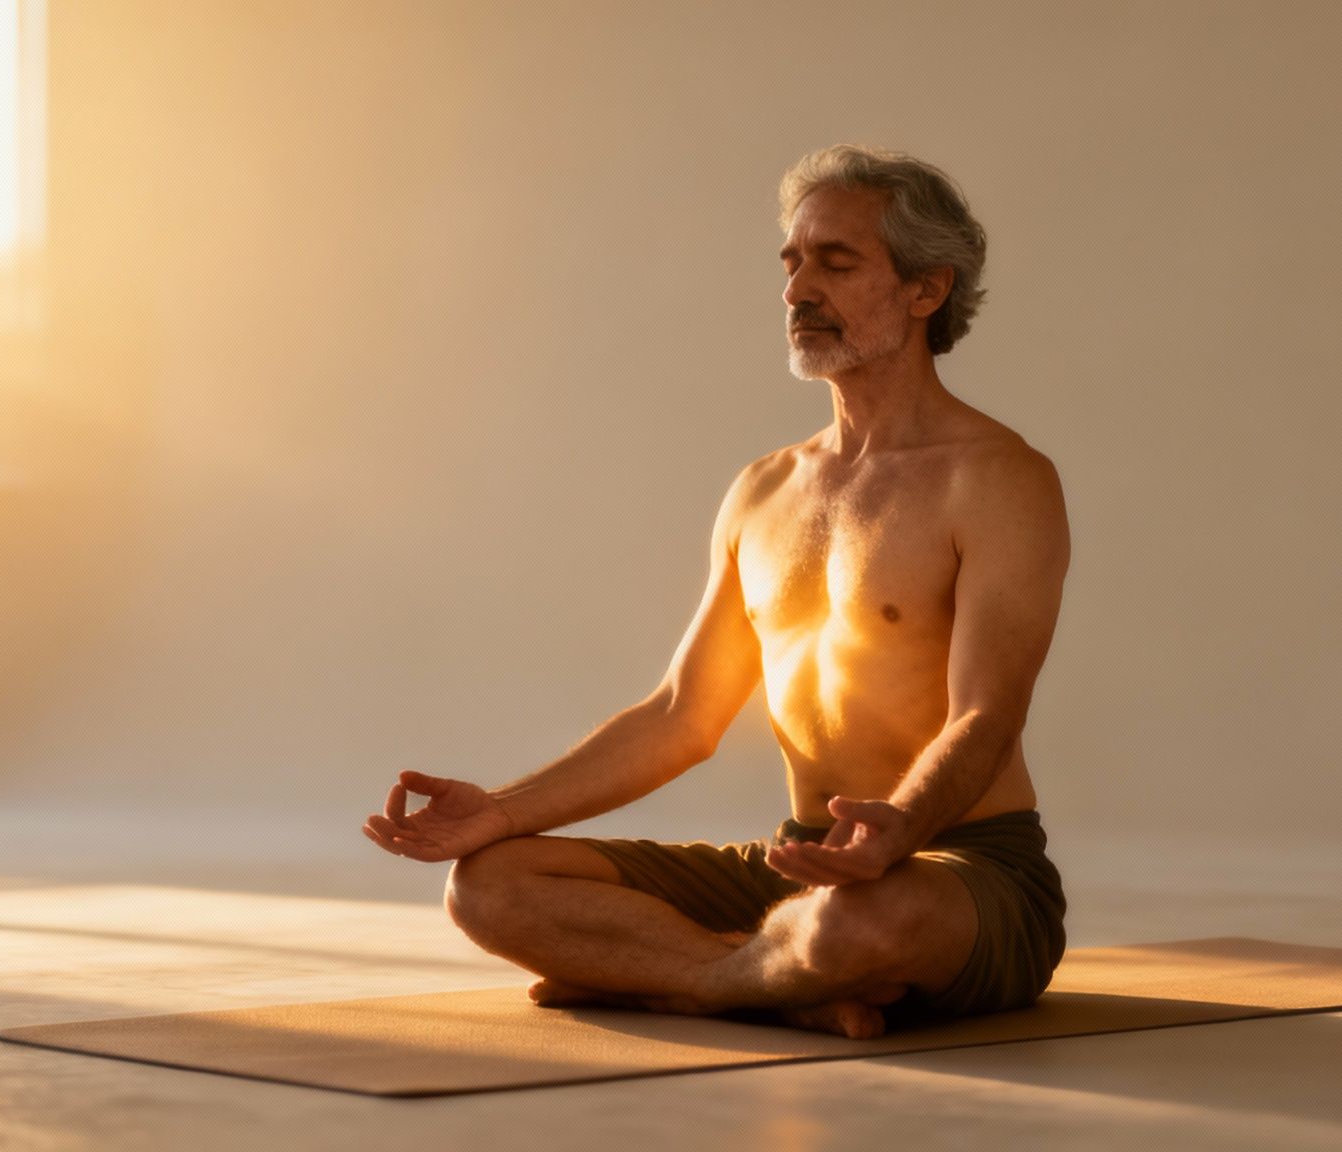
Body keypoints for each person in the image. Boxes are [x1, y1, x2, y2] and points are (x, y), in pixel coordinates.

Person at [362, 144, 1070, 1039]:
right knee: (488, 885)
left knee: (862, 920)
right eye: (792, 261)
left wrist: (898, 827)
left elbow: (986, 717)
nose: (796, 290)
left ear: (927, 290)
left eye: (836, 262)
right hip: (798, 860)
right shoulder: (765, 489)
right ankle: (760, 976)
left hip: (958, 865)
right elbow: (679, 717)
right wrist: (501, 811)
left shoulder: (1000, 479)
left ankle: (699, 974)